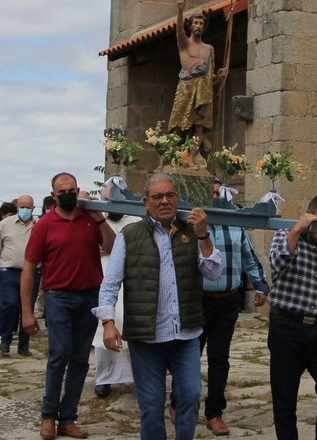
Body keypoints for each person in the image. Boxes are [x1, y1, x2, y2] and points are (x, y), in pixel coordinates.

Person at [95, 173, 223, 440]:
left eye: (170, 195)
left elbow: (213, 272)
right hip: (146, 336)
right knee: (151, 404)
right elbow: (110, 284)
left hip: (185, 333)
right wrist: (108, 323)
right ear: (146, 201)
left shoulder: (191, 232)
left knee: (190, 394)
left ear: (177, 198)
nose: (165, 201)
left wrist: (203, 235)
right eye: (157, 197)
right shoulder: (129, 236)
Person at [168, 180, 270, 435]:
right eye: (211, 193)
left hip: (228, 302)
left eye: (218, 192)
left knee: (219, 358)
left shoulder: (235, 224)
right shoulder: (188, 225)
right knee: (189, 356)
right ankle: (178, 402)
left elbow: (249, 256)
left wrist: (260, 285)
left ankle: (214, 412)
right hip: (197, 300)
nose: (216, 197)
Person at [21, 172, 116, 439]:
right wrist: (27, 311)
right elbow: (29, 269)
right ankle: (48, 415)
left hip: (89, 297)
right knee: (59, 354)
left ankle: (68, 417)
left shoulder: (89, 220)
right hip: (58, 297)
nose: (67, 195)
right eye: (62, 191)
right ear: (54, 195)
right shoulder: (44, 225)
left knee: (79, 359)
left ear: (78, 190)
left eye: (71, 190)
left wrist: (99, 218)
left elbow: (112, 246)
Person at [267, 194, 317, 440]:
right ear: (309, 214)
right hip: (287, 326)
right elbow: (278, 264)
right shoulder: (286, 236)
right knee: (285, 398)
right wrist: (298, 229)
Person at [168, 0, 227, 168]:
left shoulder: (209, 49)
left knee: (199, 128)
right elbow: (178, 30)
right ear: (190, 25)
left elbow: (209, 77)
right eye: (196, 23)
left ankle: (191, 158)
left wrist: (217, 76)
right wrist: (180, 10)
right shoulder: (184, 43)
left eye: (201, 24)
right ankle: (174, 154)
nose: (198, 26)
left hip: (203, 91)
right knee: (179, 124)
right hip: (186, 87)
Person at [92, 186, 140, 398]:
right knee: (105, 328)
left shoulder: (136, 222)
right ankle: (104, 379)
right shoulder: (96, 220)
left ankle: (138, 377)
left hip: (129, 283)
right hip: (103, 278)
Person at [0, 195, 39, 356]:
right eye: (22, 207)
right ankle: (5, 338)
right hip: (10, 271)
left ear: (33, 208)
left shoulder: (40, 225)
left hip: (32, 272)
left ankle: (24, 345)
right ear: (17, 207)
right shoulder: (5, 224)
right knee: (10, 304)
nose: (25, 210)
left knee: (28, 308)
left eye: (28, 207)